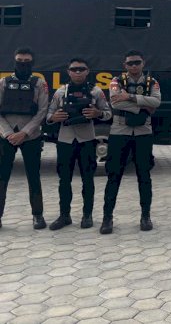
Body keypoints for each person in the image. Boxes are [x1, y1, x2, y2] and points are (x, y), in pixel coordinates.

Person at [46, 57, 111, 231]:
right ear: (68, 72)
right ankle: (64, 215)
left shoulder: (96, 91)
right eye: (74, 69)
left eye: (81, 69)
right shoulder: (61, 92)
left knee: (88, 179)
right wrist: (54, 117)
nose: (77, 72)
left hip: (87, 139)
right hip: (65, 139)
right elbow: (49, 114)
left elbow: (108, 113)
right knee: (64, 180)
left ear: (87, 71)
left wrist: (97, 113)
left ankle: (87, 215)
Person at [100, 51, 161, 234]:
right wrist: (143, 106)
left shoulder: (151, 82)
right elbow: (115, 103)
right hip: (119, 132)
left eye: (137, 62)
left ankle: (145, 216)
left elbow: (156, 102)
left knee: (144, 175)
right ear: (124, 65)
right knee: (114, 175)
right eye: (130, 63)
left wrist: (130, 97)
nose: (134, 66)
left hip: (143, 132)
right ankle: (107, 218)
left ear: (143, 63)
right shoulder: (116, 81)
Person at [0, 47, 49, 230]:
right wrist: (8, 134)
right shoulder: (4, 82)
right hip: (6, 136)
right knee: (1, 177)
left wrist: (25, 133)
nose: (23, 64)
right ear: (14, 61)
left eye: (26, 61)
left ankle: (37, 215)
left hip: (31, 136)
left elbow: (42, 111)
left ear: (32, 62)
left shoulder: (39, 83)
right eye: (19, 61)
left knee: (34, 176)